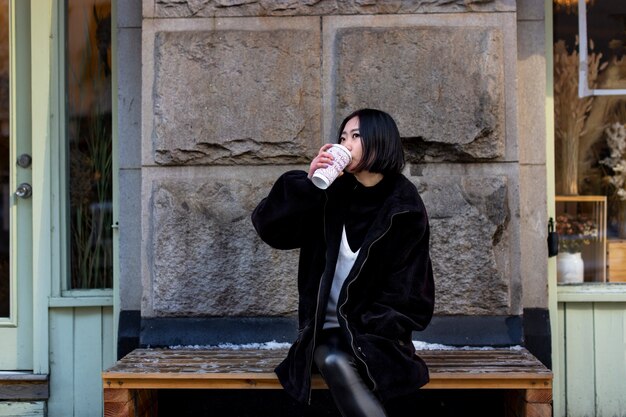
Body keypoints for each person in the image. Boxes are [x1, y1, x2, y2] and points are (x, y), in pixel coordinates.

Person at [251, 108, 435, 417]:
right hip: (322, 331)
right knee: (331, 354)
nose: (345, 144)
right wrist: (310, 183)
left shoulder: (404, 207)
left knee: (336, 358)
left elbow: (412, 294)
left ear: (379, 141)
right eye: (342, 137)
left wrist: (368, 330)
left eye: (355, 136)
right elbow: (271, 228)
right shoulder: (328, 196)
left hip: (377, 336)